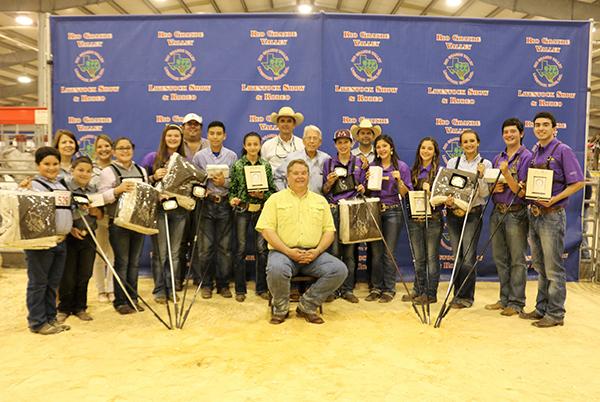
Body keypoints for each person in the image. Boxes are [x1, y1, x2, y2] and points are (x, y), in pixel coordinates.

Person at [256, 159, 347, 324]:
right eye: (295, 173)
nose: (300, 176)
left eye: (303, 173)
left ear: (309, 176)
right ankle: (280, 308)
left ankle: (307, 306)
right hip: (283, 253)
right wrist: (288, 251)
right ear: (287, 177)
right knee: (276, 268)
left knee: (339, 270)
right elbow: (266, 230)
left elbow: (329, 232)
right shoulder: (275, 200)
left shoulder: (320, 201)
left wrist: (317, 251)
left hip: (313, 254)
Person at [520, 112, 584, 328]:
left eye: (545, 125)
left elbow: (578, 183)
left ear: (554, 128)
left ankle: (556, 314)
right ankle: (541, 308)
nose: (541, 128)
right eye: (537, 125)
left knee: (553, 267)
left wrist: (554, 199)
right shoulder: (536, 150)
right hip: (535, 213)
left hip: (552, 215)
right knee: (539, 265)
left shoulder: (563, 150)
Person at [486, 118, 532, 316]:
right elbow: (493, 186)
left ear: (521, 133)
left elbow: (521, 193)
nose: (509, 135)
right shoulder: (498, 158)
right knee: (500, 258)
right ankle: (504, 298)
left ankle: (516, 302)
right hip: (498, 211)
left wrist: (506, 173)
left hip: (516, 213)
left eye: (513, 131)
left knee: (517, 260)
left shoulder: (527, 157)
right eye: (506, 132)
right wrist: (493, 187)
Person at [24, 147, 73, 335]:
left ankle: (51, 318)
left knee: (53, 282)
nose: (51, 168)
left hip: (61, 241)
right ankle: (37, 322)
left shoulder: (61, 185)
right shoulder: (31, 185)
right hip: (41, 242)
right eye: (46, 164)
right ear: (38, 165)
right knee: (38, 282)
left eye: (55, 164)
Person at [98, 137, 149, 314]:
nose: (124, 151)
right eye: (120, 148)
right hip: (118, 223)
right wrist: (117, 190)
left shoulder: (141, 170)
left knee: (134, 263)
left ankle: (132, 298)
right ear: (114, 151)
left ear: (133, 149)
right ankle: (120, 301)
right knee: (122, 262)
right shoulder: (108, 171)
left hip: (137, 223)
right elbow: (101, 197)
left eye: (127, 148)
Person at [444, 129, 492, 309]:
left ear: (478, 142)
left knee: (469, 257)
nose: (469, 144)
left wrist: (480, 176)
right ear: (461, 145)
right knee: (457, 256)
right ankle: (456, 294)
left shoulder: (485, 163)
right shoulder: (453, 162)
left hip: (472, 213)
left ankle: (466, 297)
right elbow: (447, 187)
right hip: (453, 212)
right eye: (465, 142)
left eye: (472, 141)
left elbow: (485, 194)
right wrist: (448, 199)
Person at [141, 124, 188, 304]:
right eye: (170, 135)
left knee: (175, 253)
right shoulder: (152, 157)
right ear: (164, 137)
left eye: (177, 136)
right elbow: (142, 182)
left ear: (181, 139)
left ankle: (171, 287)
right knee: (161, 252)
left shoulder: (185, 160)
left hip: (179, 210)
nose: (173, 139)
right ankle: (160, 289)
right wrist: (154, 177)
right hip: (160, 211)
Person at [229, 132, 277, 302]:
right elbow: (232, 189)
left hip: (261, 211)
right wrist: (232, 199)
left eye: (255, 144)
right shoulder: (237, 165)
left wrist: (261, 195)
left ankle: (262, 288)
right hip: (242, 211)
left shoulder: (265, 166)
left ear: (260, 146)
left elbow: (272, 191)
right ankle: (240, 289)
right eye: (249, 144)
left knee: (262, 250)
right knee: (240, 249)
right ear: (244, 146)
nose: (252, 147)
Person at [192, 121, 237, 299]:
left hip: (225, 204)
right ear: (207, 135)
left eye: (219, 133)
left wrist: (223, 183)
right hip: (206, 204)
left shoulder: (232, 156)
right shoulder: (199, 157)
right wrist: (206, 189)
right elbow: (194, 182)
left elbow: (237, 181)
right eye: (212, 133)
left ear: (224, 136)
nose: (216, 136)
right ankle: (206, 284)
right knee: (205, 248)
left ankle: (223, 284)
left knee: (225, 248)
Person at [365, 134, 412, 303]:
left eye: (384, 146)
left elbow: (405, 193)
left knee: (388, 252)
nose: (381, 149)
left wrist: (399, 180)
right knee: (376, 253)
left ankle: (389, 288)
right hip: (375, 210)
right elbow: (367, 192)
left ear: (391, 148)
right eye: (378, 147)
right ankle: (376, 287)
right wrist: (366, 183)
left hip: (393, 211)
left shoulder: (401, 167)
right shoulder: (372, 166)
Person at [322, 129, 366, 303]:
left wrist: (363, 188)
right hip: (334, 208)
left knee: (349, 252)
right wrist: (330, 182)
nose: (343, 145)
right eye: (339, 142)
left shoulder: (359, 162)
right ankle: (332, 289)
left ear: (352, 143)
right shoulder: (328, 163)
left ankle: (347, 289)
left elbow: (365, 186)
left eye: (346, 142)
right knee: (333, 251)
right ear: (335, 145)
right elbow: (325, 190)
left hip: (352, 208)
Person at [57, 156, 102, 323]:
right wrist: (70, 229)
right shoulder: (64, 187)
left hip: (88, 235)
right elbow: (60, 212)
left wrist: (94, 210)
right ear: (72, 170)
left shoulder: (93, 190)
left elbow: (99, 215)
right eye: (80, 170)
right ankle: (64, 308)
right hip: (69, 235)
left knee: (85, 273)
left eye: (88, 171)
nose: (84, 174)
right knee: (67, 274)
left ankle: (80, 307)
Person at [403, 137, 443, 305]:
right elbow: (406, 195)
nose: (426, 151)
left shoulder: (440, 172)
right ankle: (418, 289)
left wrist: (431, 193)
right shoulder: (413, 171)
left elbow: (443, 198)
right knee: (418, 258)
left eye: (430, 149)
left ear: (435, 153)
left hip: (432, 219)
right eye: (423, 148)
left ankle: (430, 293)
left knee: (431, 258)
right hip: (414, 219)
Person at [91, 134, 115, 303]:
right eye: (100, 146)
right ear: (95, 150)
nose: (103, 149)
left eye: (107, 146)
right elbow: (89, 192)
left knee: (113, 255)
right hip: (97, 217)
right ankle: (101, 290)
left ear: (112, 149)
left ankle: (111, 288)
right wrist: (96, 209)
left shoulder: (116, 168)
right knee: (99, 255)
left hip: (114, 217)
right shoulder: (90, 169)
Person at [273, 125, 329, 194]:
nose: (312, 141)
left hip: (316, 202)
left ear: (320, 142)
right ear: (303, 141)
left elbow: (329, 184)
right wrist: (285, 194)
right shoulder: (292, 158)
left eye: (315, 138)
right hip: (293, 201)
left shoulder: (326, 159)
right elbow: (277, 177)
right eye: (309, 138)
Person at [262, 106, 305, 170]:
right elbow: (262, 169)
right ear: (277, 124)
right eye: (282, 121)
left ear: (294, 125)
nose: (285, 124)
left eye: (289, 121)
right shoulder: (267, 145)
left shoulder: (302, 144)